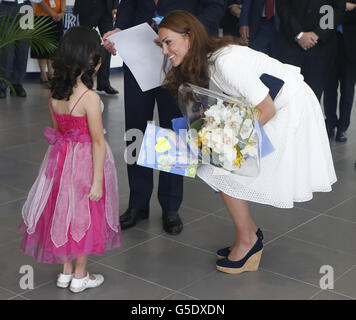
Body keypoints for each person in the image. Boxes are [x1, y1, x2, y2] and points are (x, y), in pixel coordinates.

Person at [157, 10, 336, 274]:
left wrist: (226, 144)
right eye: (161, 44)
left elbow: (266, 108)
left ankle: (248, 240)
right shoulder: (210, 59)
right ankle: (249, 233)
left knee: (221, 169)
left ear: (189, 37)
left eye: (168, 42)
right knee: (218, 165)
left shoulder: (225, 63)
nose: (164, 50)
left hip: (288, 107)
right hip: (270, 106)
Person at [102, 0, 225, 235]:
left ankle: (170, 206)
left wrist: (186, 33)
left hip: (179, 57)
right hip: (139, 57)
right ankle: (138, 204)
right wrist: (120, 32)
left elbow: (216, 7)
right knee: (135, 130)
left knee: (174, 133)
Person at [19, 26, 121, 293]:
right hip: (87, 163)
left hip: (60, 160)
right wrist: (97, 180)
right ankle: (80, 275)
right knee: (85, 216)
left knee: (62, 212)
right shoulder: (89, 98)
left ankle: (64, 272)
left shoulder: (54, 94)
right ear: (91, 62)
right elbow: (97, 141)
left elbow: (56, 131)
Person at [274, 0, 346, 102]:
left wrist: (317, 34)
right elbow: (283, 5)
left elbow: (338, 9)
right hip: (290, 44)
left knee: (313, 97)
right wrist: (299, 34)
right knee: (285, 96)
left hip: (320, 48)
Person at [323, 1, 356, 142]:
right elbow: (324, 12)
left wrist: (337, 10)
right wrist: (344, 7)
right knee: (329, 87)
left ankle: (343, 127)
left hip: (351, 46)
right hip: (329, 43)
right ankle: (330, 123)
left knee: (347, 89)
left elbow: (331, 14)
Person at [0, 0, 44, 99]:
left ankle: (17, 84)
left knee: (22, 49)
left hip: (26, 8)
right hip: (7, 7)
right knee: (6, 51)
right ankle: (2, 85)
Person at [73, 0, 119, 95]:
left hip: (107, 8)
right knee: (85, 46)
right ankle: (83, 81)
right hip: (87, 7)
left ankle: (104, 83)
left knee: (108, 43)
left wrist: (115, 5)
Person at [31, 0, 65, 86]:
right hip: (42, 17)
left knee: (54, 47)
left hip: (57, 17)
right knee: (42, 47)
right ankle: (43, 75)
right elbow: (39, 1)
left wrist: (62, 12)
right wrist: (52, 13)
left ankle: (51, 73)